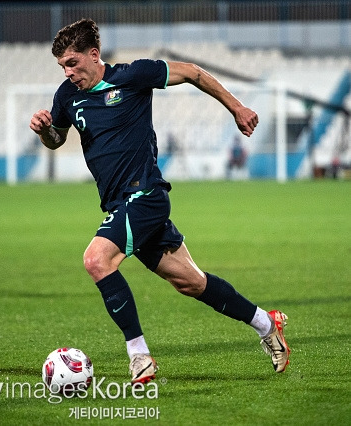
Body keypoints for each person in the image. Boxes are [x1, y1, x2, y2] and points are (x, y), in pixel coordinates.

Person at [30, 19, 290, 384]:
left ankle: (139, 356)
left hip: (145, 195)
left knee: (96, 259)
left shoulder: (133, 76)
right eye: (62, 67)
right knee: (191, 283)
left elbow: (194, 73)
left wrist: (236, 108)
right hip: (118, 204)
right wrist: (46, 130)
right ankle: (267, 324)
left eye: (73, 63)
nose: (68, 72)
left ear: (93, 54)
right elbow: (56, 140)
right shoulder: (66, 96)